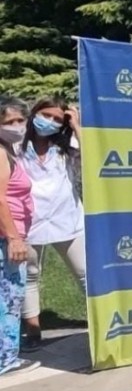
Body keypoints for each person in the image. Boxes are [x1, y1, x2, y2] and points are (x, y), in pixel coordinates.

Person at [17, 98, 86, 352]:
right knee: (30, 276)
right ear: (35, 114)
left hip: (66, 218)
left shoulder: (66, 146)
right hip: (28, 221)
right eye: (47, 115)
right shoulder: (16, 145)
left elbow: (93, 158)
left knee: (86, 273)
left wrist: (76, 124)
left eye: (58, 119)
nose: (51, 122)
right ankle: (33, 330)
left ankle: (101, 324)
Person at [0, 97, 37, 375]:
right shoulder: (1, 153)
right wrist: (14, 237)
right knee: (9, 299)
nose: (16, 126)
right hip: (6, 239)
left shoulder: (9, 150)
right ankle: (6, 359)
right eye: (8, 122)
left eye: (19, 120)